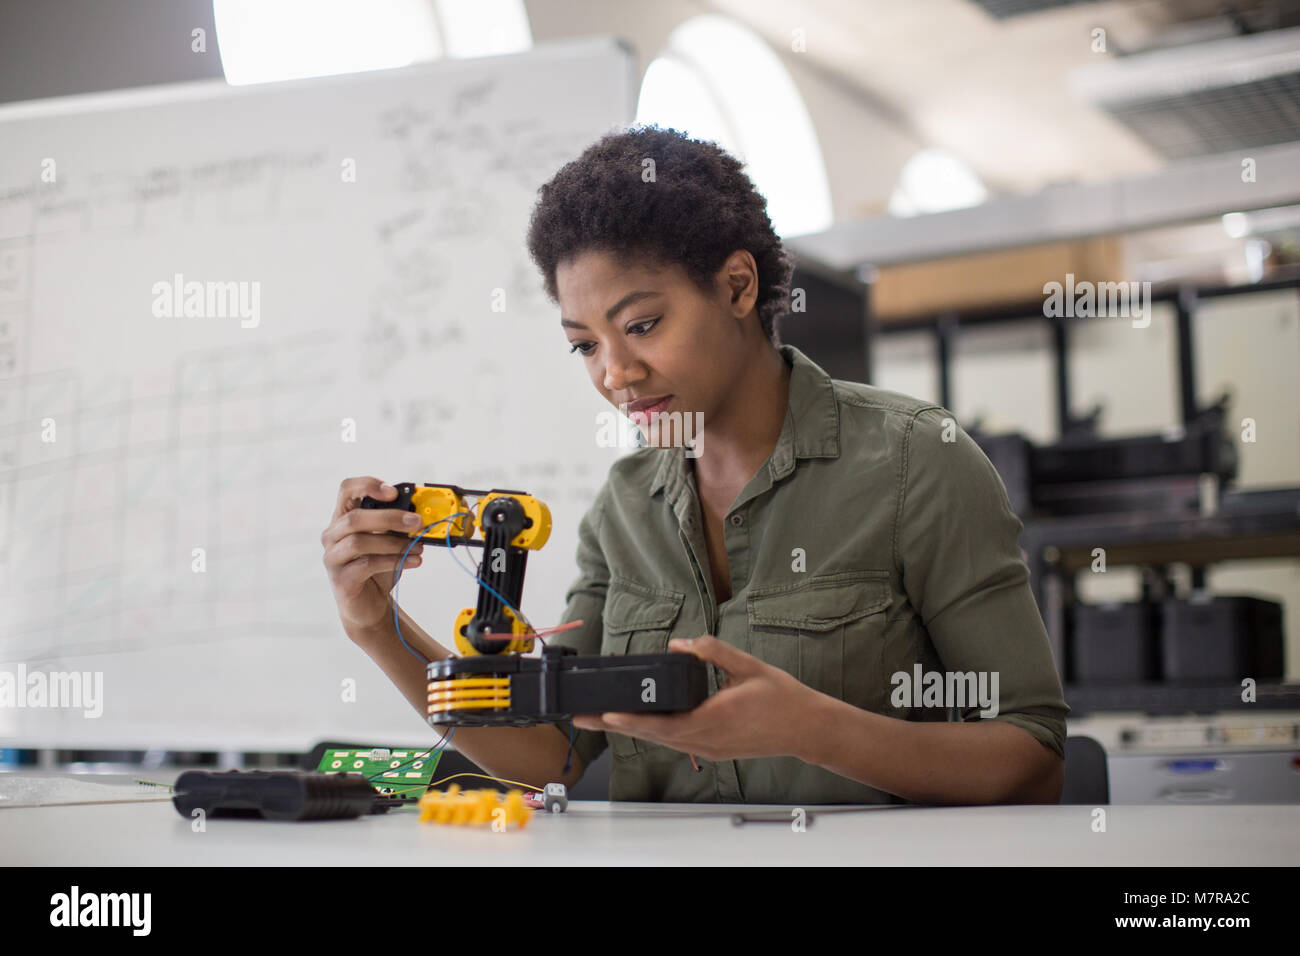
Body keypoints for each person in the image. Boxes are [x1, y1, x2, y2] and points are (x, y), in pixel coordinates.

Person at [321, 124, 1068, 804]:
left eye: (642, 326)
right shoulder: (624, 506)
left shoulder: (916, 464)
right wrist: (378, 626)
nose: (614, 373)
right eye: (585, 344)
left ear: (737, 287)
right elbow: (551, 757)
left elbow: (1032, 758)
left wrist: (813, 728)